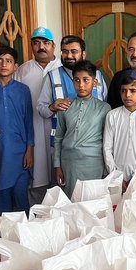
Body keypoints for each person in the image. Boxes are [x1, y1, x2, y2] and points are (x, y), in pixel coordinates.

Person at [37, 35, 106, 178]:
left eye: (74, 51)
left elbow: (105, 105)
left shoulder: (97, 75)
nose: (69, 56)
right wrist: (52, 107)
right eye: (65, 51)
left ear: (83, 54)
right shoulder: (52, 76)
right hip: (64, 148)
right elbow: (41, 109)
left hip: (94, 154)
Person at [15, 26, 59, 206]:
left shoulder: (62, 68)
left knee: (59, 181)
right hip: (33, 134)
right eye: (36, 43)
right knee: (36, 182)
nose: (41, 47)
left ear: (53, 46)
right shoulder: (23, 71)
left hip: (59, 134)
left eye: (45, 43)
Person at [53, 59, 110, 198]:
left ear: (94, 82)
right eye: (77, 80)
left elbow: (108, 141)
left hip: (93, 163)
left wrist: (106, 169)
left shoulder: (104, 108)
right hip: (69, 163)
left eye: (86, 80)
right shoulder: (65, 105)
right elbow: (59, 137)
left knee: (92, 201)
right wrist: (57, 165)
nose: (81, 85)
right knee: (72, 201)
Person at [0, 44, 33, 214]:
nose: (4, 64)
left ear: (15, 66)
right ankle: (4, 230)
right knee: (1, 199)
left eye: (8, 61)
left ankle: (24, 230)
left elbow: (28, 121)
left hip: (19, 152)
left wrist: (30, 149)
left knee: (21, 199)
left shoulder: (23, 91)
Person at [103, 71, 136, 193]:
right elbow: (107, 149)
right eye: (124, 90)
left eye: (132, 91)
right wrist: (117, 177)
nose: (127, 95)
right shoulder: (112, 116)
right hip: (116, 177)